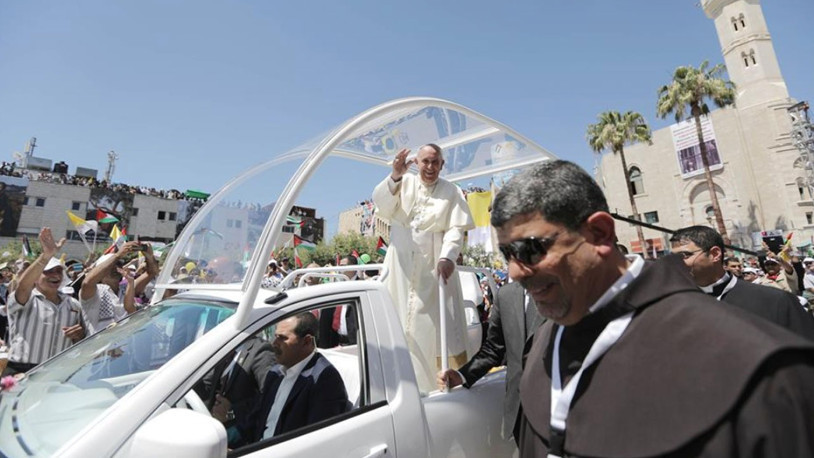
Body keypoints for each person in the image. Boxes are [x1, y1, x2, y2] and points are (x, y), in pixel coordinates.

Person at [491, 160, 814, 457]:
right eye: (508, 254)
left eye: (529, 250)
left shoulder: (759, 369)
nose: (516, 272)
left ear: (599, 233)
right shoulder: (542, 348)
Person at [372, 144, 474, 392]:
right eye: (425, 162)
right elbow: (383, 206)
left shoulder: (452, 191)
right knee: (395, 320)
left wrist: (448, 257)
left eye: (435, 162)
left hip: (434, 268)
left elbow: (455, 230)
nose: (430, 167)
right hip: (400, 268)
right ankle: (393, 386)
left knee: (433, 331)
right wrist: (395, 175)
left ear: (442, 165)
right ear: (417, 162)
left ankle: (434, 386)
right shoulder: (403, 182)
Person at [213, 313, 349, 446]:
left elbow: (317, 444)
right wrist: (220, 441)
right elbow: (253, 422)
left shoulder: (324, 381)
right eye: (275, 336)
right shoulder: (275, 373)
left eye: (282, 338)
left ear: (307, 341)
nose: (274, 343)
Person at [436, 281, 543, 443]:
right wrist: (462, 375)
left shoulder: (566, 291)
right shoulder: (506, 295)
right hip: (519, 415)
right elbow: (493, 348)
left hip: (556, 411)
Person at [670, 226, 814, 340]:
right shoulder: (673, 310)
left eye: (684, 256)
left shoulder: (775, 301)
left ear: (714, 254)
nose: (674, 263)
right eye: (672, 258)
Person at [3, 228, 84, 375]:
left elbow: (81, 339)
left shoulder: (73, 305)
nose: (55, 275)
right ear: (35, 277)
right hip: (20, 371)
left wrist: (79, 335)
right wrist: (45, 256)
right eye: (48, 271)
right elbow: (22, 286)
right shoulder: (26, 298)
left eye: (59, 271)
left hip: (57, 371)